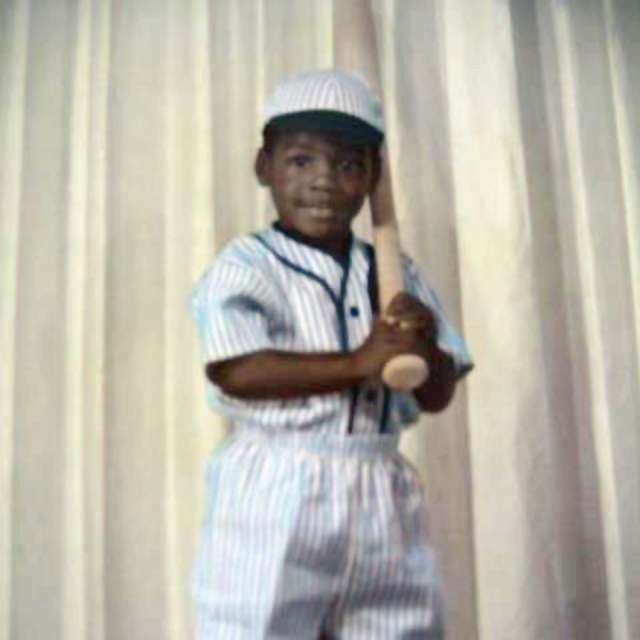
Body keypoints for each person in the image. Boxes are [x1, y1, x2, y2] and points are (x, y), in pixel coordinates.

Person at [189, 69, 473, 639]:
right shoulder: (247, 265)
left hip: (380, 484)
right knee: (257, 626)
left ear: (372, 178)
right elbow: (238, 369)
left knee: (397, 628)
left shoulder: (395, 272)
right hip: (277, 483)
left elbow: (437, 393)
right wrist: (360, 361)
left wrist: (424, 351)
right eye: (300, 161)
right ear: (263, 167)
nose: (324, 181)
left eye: (347, 165)